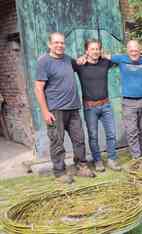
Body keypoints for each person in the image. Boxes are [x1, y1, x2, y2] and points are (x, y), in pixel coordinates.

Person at [35, 32, 95, 184]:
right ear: (50, 44)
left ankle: (81, 166)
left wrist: (83, 58)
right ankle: (60, 172)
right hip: (56, 110)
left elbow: (80, 63)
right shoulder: (44, 62)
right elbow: (38, 88)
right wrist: (45, 111)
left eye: (62, 43)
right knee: (57, 141)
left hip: (73, 108)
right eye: (56, 43)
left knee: (79, 139)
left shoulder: (68, 59)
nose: (60, 45)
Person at [103, 40, 142, 159]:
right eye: (131, 50)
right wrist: (84, 57)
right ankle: (136, 157)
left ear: (140, 50)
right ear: (127, 51)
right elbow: (102, 55)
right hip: (128, 102)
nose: (134, 53)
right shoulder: (121, 59)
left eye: (136, 50)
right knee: (132, 131)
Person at [72, 39, 121, 172]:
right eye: (92, 49)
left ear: (100, 50)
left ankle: (112, 159)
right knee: (93, 136)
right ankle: (97, 160)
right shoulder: (80, 65)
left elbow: (123, 59)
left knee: (111, 134)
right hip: (90, 107)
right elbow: (65, 65)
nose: (95, 51)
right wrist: (79, 59)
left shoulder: (105, 63)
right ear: (86, 51)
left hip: (106, 105)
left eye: (97, 49)